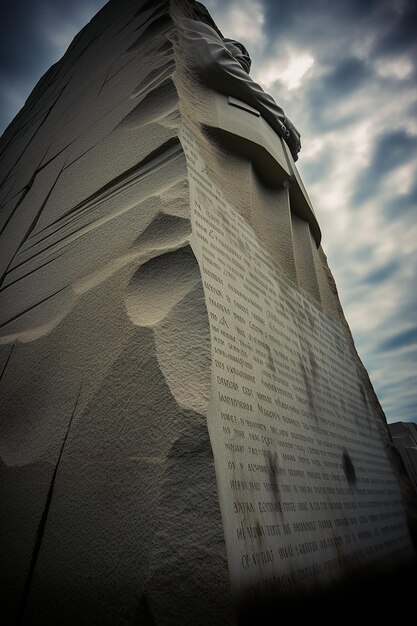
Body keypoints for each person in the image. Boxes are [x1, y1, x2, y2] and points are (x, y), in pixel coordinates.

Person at [183, 19, 301, 161]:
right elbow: (217, 64)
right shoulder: (195, 26)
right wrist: (281, 120)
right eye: (240, 53)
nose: (243, 61)